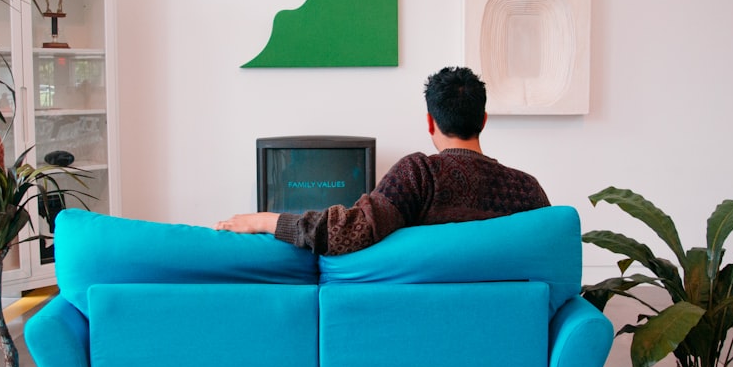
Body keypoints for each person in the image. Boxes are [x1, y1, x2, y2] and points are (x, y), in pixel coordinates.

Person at [214, 66, 550, 255]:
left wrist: (264, 221)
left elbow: (343, 234)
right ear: (484, 120)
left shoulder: (419, 175)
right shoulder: (527, 190)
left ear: (430, 122)